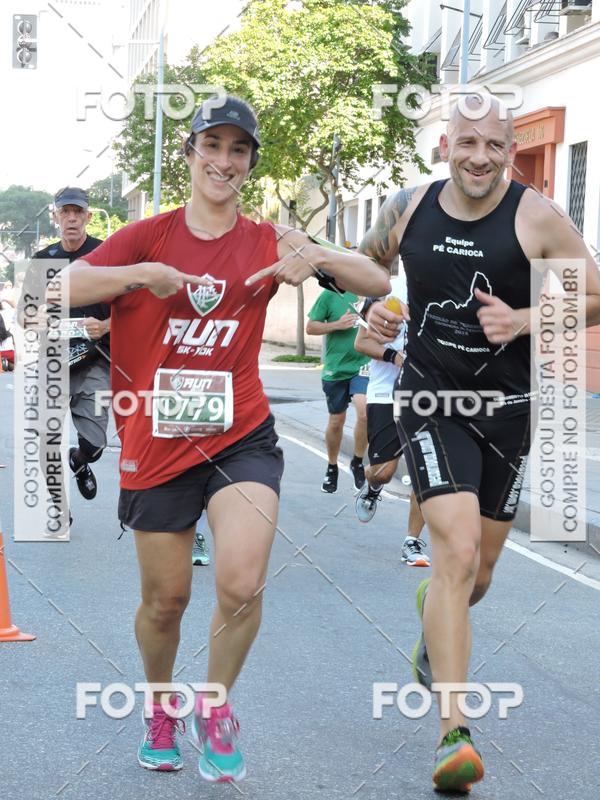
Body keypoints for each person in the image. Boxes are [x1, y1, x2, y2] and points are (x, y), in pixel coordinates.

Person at [61, 95, 390, 781]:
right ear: (190, 153)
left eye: (238, 150)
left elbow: (376, 279)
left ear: (249, 163)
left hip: (241, 436)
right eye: (212, 145)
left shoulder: (269, 239)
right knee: (166, 600)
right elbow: (61, 287)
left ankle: (215, 705)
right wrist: (139, 277)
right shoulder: (147, 237)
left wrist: (318, 257)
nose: (224, 161)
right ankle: (159, 707)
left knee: (240, 583)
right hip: (156, 441)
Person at [359, 94, 600, 792]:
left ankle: (436, 614)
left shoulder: (538, 216)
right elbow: (365, 271)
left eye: (495, 146)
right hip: (431, 399)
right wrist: (367, 315)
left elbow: (595, 295)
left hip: (510, 410)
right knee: (456, 552)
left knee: (478, 575)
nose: (480, 157)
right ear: (446, 143)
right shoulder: (408, 206)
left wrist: (526, 317)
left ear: (510, 149)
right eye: (467, 143)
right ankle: (453, 734)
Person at [18, 187, 109, 531]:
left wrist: (105, 325)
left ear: (87, 216)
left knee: (95, 444)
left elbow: (132, 310)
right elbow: (25, 316)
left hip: (97, 360)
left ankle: (81, 460)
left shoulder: (105, 253)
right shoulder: (44, 260)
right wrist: (43, 318)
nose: (71, 218)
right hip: (52, 361)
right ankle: (59, 506)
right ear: (55, 216)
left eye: (78, 212)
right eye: (65, 212)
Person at [353, 269, 430, 567]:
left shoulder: (447, 290)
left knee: (425, 472)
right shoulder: (386, 292)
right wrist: (397, 359)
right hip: (386, 392)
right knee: (383, 471)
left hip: (426, 395)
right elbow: (361, 343)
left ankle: (412, 541)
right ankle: (372, 487)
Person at [306, 289, 369, 493]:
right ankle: (332, 467)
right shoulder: (330, 295)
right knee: (336, 421)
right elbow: (311, 327)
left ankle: (358, 461)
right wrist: (336, 325)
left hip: (364, 364)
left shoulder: (372, 293)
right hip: (336, 367)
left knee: (365, 412)